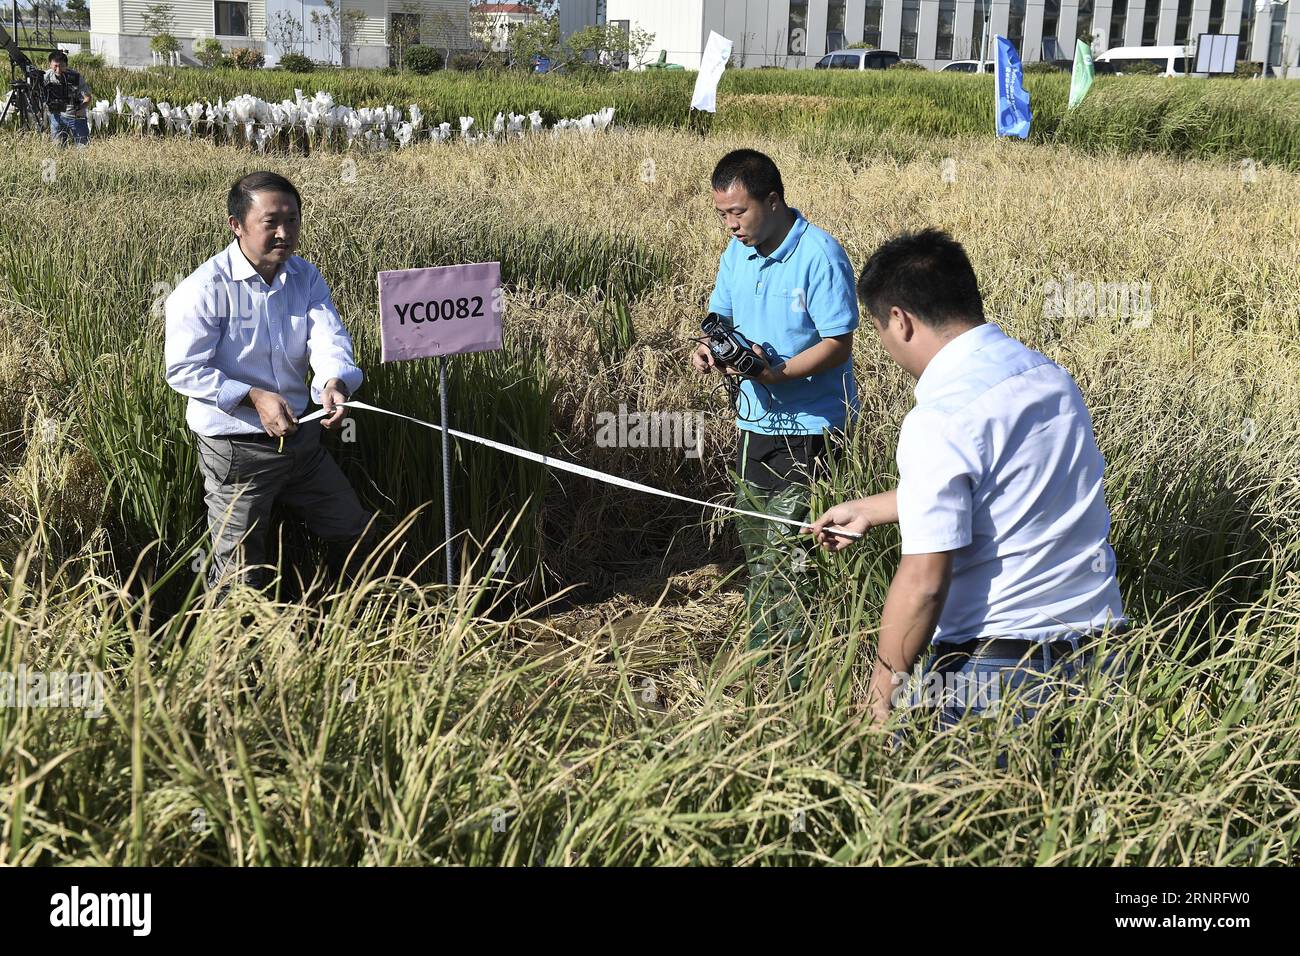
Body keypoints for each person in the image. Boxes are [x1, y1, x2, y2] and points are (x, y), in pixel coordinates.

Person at [809, 228, 1127, 732]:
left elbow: (925, 582)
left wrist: (879, 697)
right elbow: (1007, 484)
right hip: (1101, 655)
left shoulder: (940, 414)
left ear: (900, 320)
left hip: (997, 672)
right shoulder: (1050, 378)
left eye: (878, 332)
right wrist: (873, 509)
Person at [165, 171, 375, 600]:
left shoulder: (304, 277)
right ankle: (232, 655)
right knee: (238, 571)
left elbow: (328, 337)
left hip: (302, 441)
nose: (285, 233)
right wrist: (251, 395)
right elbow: (184, 369)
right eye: (271, 222)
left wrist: (333, 382)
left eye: (293, 219)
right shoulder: (204, 288)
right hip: (237, 451)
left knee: (352, 529)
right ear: (236, 225)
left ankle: (347, 618)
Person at [693, 149, 859, 689]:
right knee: (758, 542)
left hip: (811, 427)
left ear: (772, 200)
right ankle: (765, 649)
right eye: (722, 214)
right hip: (753, 424)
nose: (731, 224)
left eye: (738, 212)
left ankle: (802, 672)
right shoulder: (736, 254)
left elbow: (838, 343)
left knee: (795, 554)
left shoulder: (819, 255)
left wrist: (779, 373)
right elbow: (719, 317)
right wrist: (711, 350)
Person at [43, 51, 91, 147]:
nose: (58, 70)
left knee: (83, 148)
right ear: (50, 64)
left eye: (61, 66)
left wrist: (81, 109)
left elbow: (88, 98)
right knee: (58, 148)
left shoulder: (75, 77)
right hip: (56, 116)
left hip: (75, 117)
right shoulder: (46, 76)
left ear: (66, 65)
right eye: (55, 66)